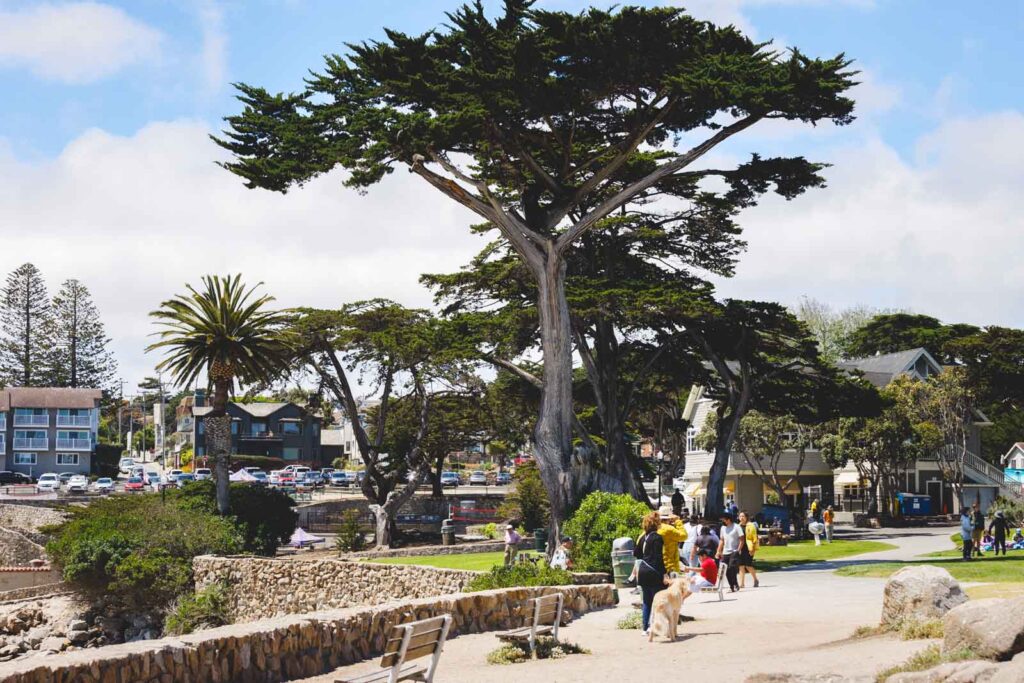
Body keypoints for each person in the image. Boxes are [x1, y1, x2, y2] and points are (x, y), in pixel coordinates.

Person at [634, 511, 668, 636]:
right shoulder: (657, 538)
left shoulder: (643, 537)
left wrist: (646, 555)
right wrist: (664, 573)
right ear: (656, 523)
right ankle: (658, 627)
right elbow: (659, 558)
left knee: (647, 601)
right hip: (654, 571)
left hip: (643, 571)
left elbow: (636, 553)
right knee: (659, 600)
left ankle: (645, 628)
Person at [656, 504, 688, 576]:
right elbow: (684, 536)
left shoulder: (656, 527)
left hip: (659, 565)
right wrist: (678, 521)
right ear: (669, 518)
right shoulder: (669, 529)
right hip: (670, 566)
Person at [717, 514, 744, 592]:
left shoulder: (736, 527)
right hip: (725, 551)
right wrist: (718, 551)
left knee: (731, 568)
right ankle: (731, 586)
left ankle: (735, 584)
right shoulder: (723, 528)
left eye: (724, 520)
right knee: (725, 569)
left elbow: (742, 539)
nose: (723, 521)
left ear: (728, 520)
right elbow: (722, 540)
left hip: (734, 551)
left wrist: (738, 550)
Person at [737, 511, 760, 589]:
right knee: (741, 566)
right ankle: (741, 583)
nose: (741, 518)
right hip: (740, 547)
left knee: (748, 565)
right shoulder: (738, 526)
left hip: (749, 548)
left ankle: (755, 579)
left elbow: (754, 537)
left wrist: (753, 549)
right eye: (740, 516)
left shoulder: (751, 526)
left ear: (746, 517)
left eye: (743, 516)